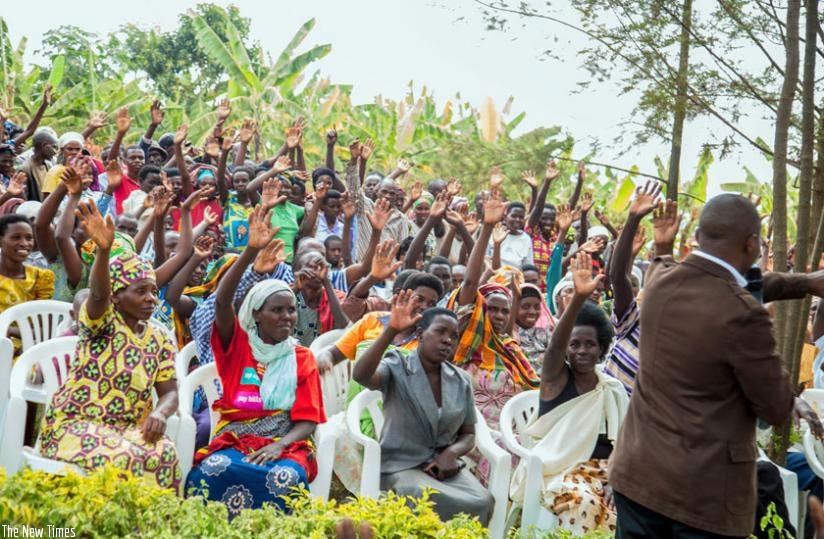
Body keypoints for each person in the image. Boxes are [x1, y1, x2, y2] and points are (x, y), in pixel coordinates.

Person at [609, 194, 824, 538]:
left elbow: (725, 286)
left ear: (699, 235)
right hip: (700, 499)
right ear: (752, 243)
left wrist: (805, 282)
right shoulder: (743, 315)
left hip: (638, 478)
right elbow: (775, 408)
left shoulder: (659, 279)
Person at [186, 206, 325, 516]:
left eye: (291, 310)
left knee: (285, 478)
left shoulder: (302, 357)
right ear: (256, 313)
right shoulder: (237, 346)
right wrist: (250, 251)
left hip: (284, 444)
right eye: (277, 310)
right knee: (211, 471)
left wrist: (278, 445)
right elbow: (222, 301)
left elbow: (307, 420)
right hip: (234, 440)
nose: (288, 317)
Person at [38, 201, 180, 490]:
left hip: (128, 428)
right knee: (125, 457)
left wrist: (160, 413)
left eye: (153, 292)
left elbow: (170, 392)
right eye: (140, 291)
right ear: (117, 295)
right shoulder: (101, 322)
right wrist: (104, 251)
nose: (151, 298)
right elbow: (99, 294)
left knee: (166, 455)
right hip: (74, 425)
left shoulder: (159, 337)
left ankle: (147, 532)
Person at [511, 252, 627, 534]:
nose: (582, 351)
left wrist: (616, 478)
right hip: (559, 473)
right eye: (575, 345)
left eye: (590, 344)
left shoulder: (611, 389)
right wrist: (577, 298)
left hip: (607, 471)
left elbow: (625, 442)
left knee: (637, 504)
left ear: (601, 348)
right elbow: (553, 349)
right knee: (583, 503)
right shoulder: (557, 379)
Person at [352, 295, 494, 526]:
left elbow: (468, 434)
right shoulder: (398, 364)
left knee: (483, 500)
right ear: (420, 335)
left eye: (454, 336)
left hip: (443, 469)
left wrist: (451, 453)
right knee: (418, 495)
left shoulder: (461, 380)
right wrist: (390, 331)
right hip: (401, 465)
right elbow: (361, 375)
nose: (448, 340)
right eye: (440, 332)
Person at [0, 215, 55, 346]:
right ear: (1, 241)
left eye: (29, 238)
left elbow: (45, 330)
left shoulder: (41, 278)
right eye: (16, 237)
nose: (24, 243)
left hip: (26, 352)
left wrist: (9, 330)